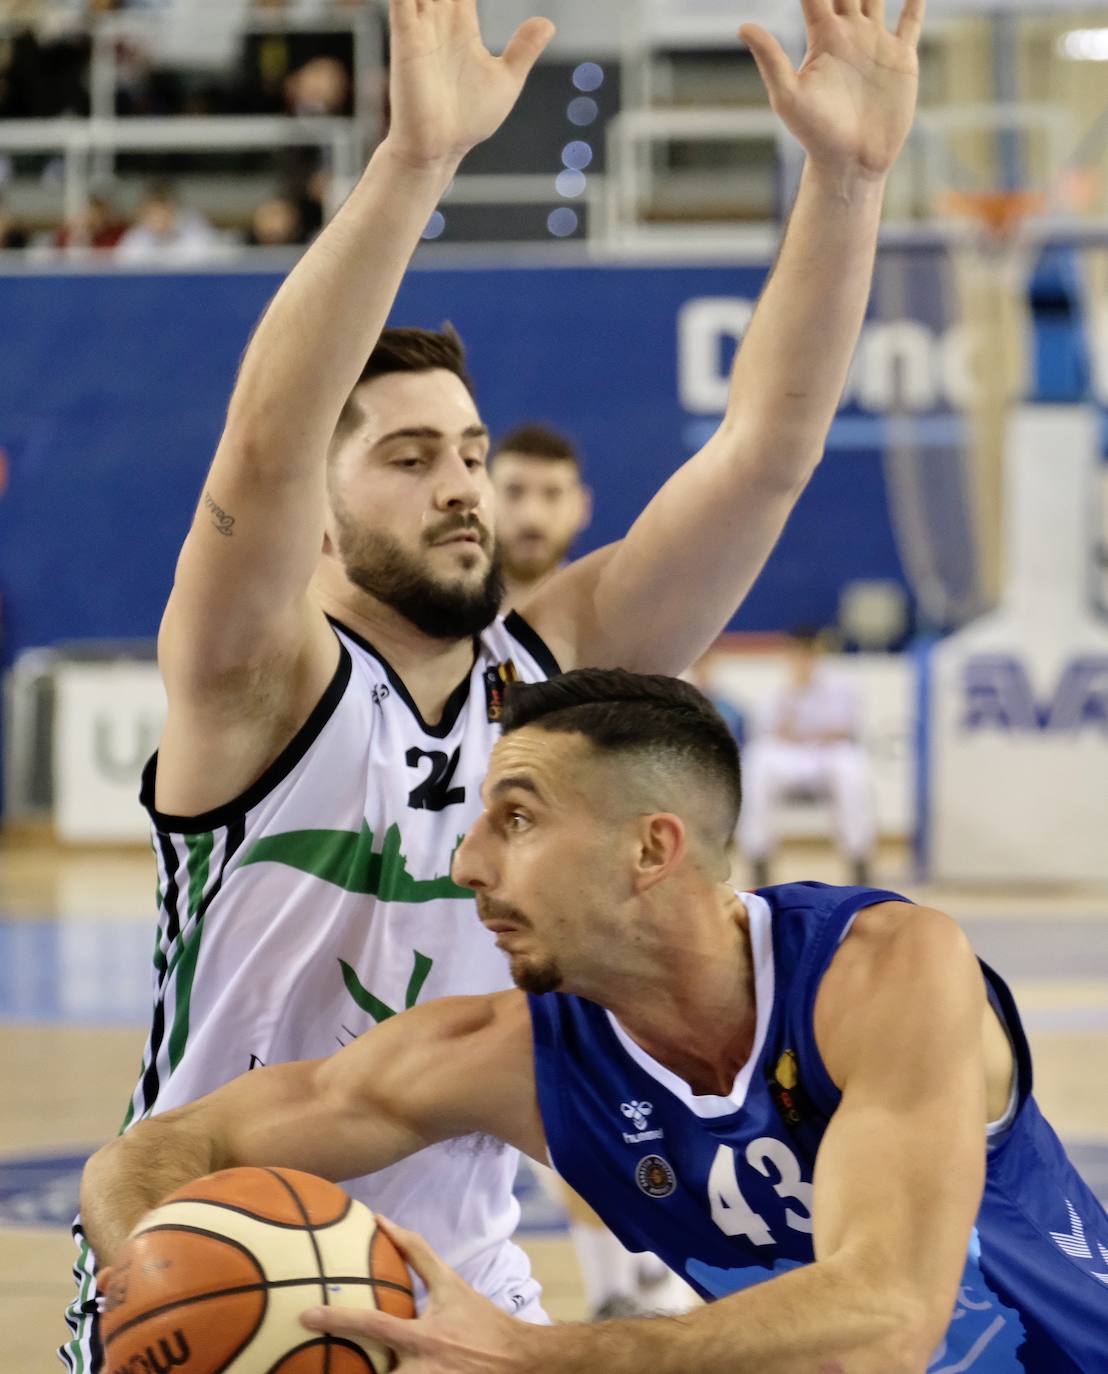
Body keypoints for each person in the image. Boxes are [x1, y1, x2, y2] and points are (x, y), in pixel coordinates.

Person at [65, 0, 926, 1366]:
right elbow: (267, 441)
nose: (460, 485)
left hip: (467, 1283)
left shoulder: (559, 664)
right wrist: (415, 163)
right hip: (220, 1256)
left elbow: (765, 451)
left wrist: (848, 180)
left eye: (468, 453)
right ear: (321, 518)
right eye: (409, 460)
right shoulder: (256, 676)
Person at [83, 669, 1108, 1373]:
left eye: (517, 819)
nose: (467, 863)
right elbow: (161, 1149)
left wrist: (541, 1354)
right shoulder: (512, 1053)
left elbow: (886, 1324)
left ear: (651, 850)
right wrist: (166, 1269)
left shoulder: (883, 966)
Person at [738, 628, 876, 886]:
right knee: (757, 762)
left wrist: (811, 733)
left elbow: (845, 730)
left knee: (851, 767)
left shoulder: (842, 686)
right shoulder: (779, 690)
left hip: (828, 755)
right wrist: (794, 696)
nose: (802, 660)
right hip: (791, 756)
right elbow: (771, 730)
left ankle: (858, 855)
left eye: (806, 654)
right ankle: (759, 855)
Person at [490, 425, 591, 611]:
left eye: (552, 494)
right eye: (514, 492)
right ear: (482, 501)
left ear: (582, 507)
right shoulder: (441, 617)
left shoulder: (612, 618)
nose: (532, 517)